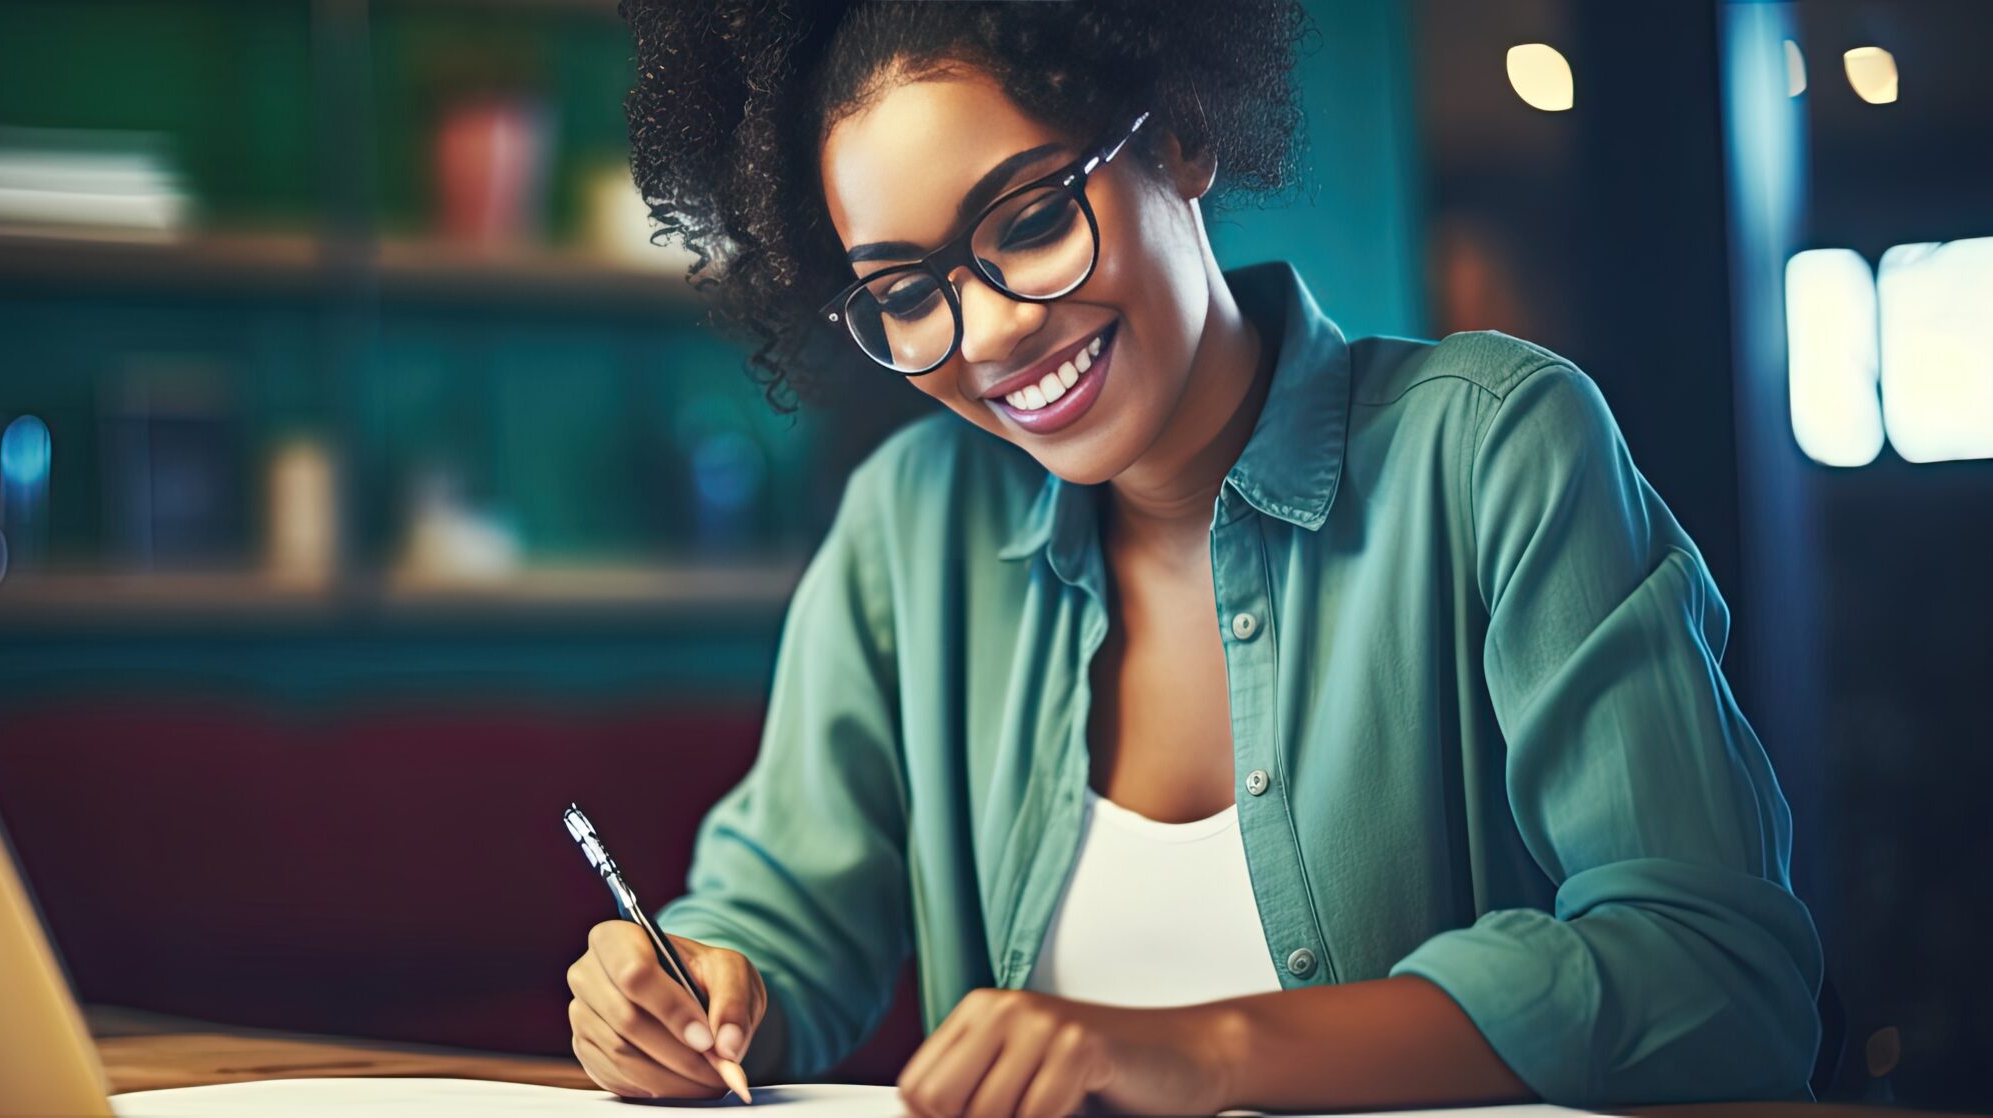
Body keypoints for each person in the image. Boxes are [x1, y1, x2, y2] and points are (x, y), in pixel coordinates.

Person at [560, 4, 1823, 1115]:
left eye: (1033, 217)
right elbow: (780, 918)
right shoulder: (908, 528)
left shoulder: (1494, 450)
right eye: (904, 291)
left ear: (1177, 137)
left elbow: (1713, 969)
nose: (990, 331)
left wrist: (1207, 1048)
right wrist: (696, 988)